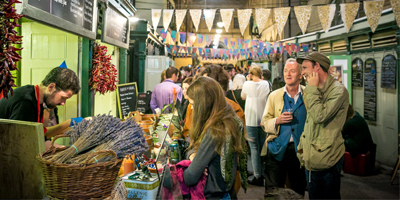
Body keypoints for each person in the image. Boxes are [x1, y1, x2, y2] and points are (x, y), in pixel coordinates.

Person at [296, 52, 349, 199]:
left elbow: (320, 116)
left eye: (305, 68)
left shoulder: (338, 91)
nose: (303, 73)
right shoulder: (313, 89)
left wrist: (311, 89)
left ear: (317, 67)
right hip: (311, 159)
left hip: (327, 159)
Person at [184, 76, 246, 199]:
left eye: (192, 104)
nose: (191, 108)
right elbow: (190, 137)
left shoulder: (215, 131)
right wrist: (192, 154)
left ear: (203, 104)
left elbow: (189, 177)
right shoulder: (228, 119)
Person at [260, 58, 307, 197]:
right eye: (286, 71)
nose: (288, 74)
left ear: (300, 75)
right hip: (276, 148)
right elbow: (264, 122)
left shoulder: (309, 95)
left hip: (300, 150)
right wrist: (277, 120)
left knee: (298, 190)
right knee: (272, 191)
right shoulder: (274, 96)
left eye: (292, 71)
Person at [0, 67, 82, 141]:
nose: (63, 103)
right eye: (63, 97)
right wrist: (69, 122)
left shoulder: (38, 100)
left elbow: (41, 134)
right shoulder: (25, 103)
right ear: (51, 87)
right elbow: (19, 142)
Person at [241, 64, 271, 186]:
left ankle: (257, 175)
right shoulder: (267, 84)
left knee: (253, 148)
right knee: (264, 146)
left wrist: (248, 81)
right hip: (263, 119)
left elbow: (243, 97)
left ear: (251, 74)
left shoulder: (247, 84)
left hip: (250, 120)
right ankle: (264, 173)